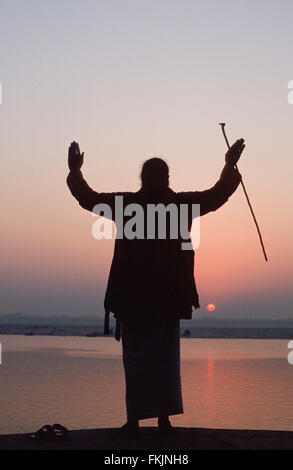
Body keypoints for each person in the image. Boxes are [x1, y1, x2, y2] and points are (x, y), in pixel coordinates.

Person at [66, 138, 245, 435]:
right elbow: (217, 195)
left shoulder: (127, 205)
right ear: (167, 179)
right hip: (166, 299)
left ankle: (137, 420)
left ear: (142, 179)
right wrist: (229, 165)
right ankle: (162, 420)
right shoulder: (180, 205)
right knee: (164, 360)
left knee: (137, 360)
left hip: (134, 299)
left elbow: (87, 197)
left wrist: (75, 171)